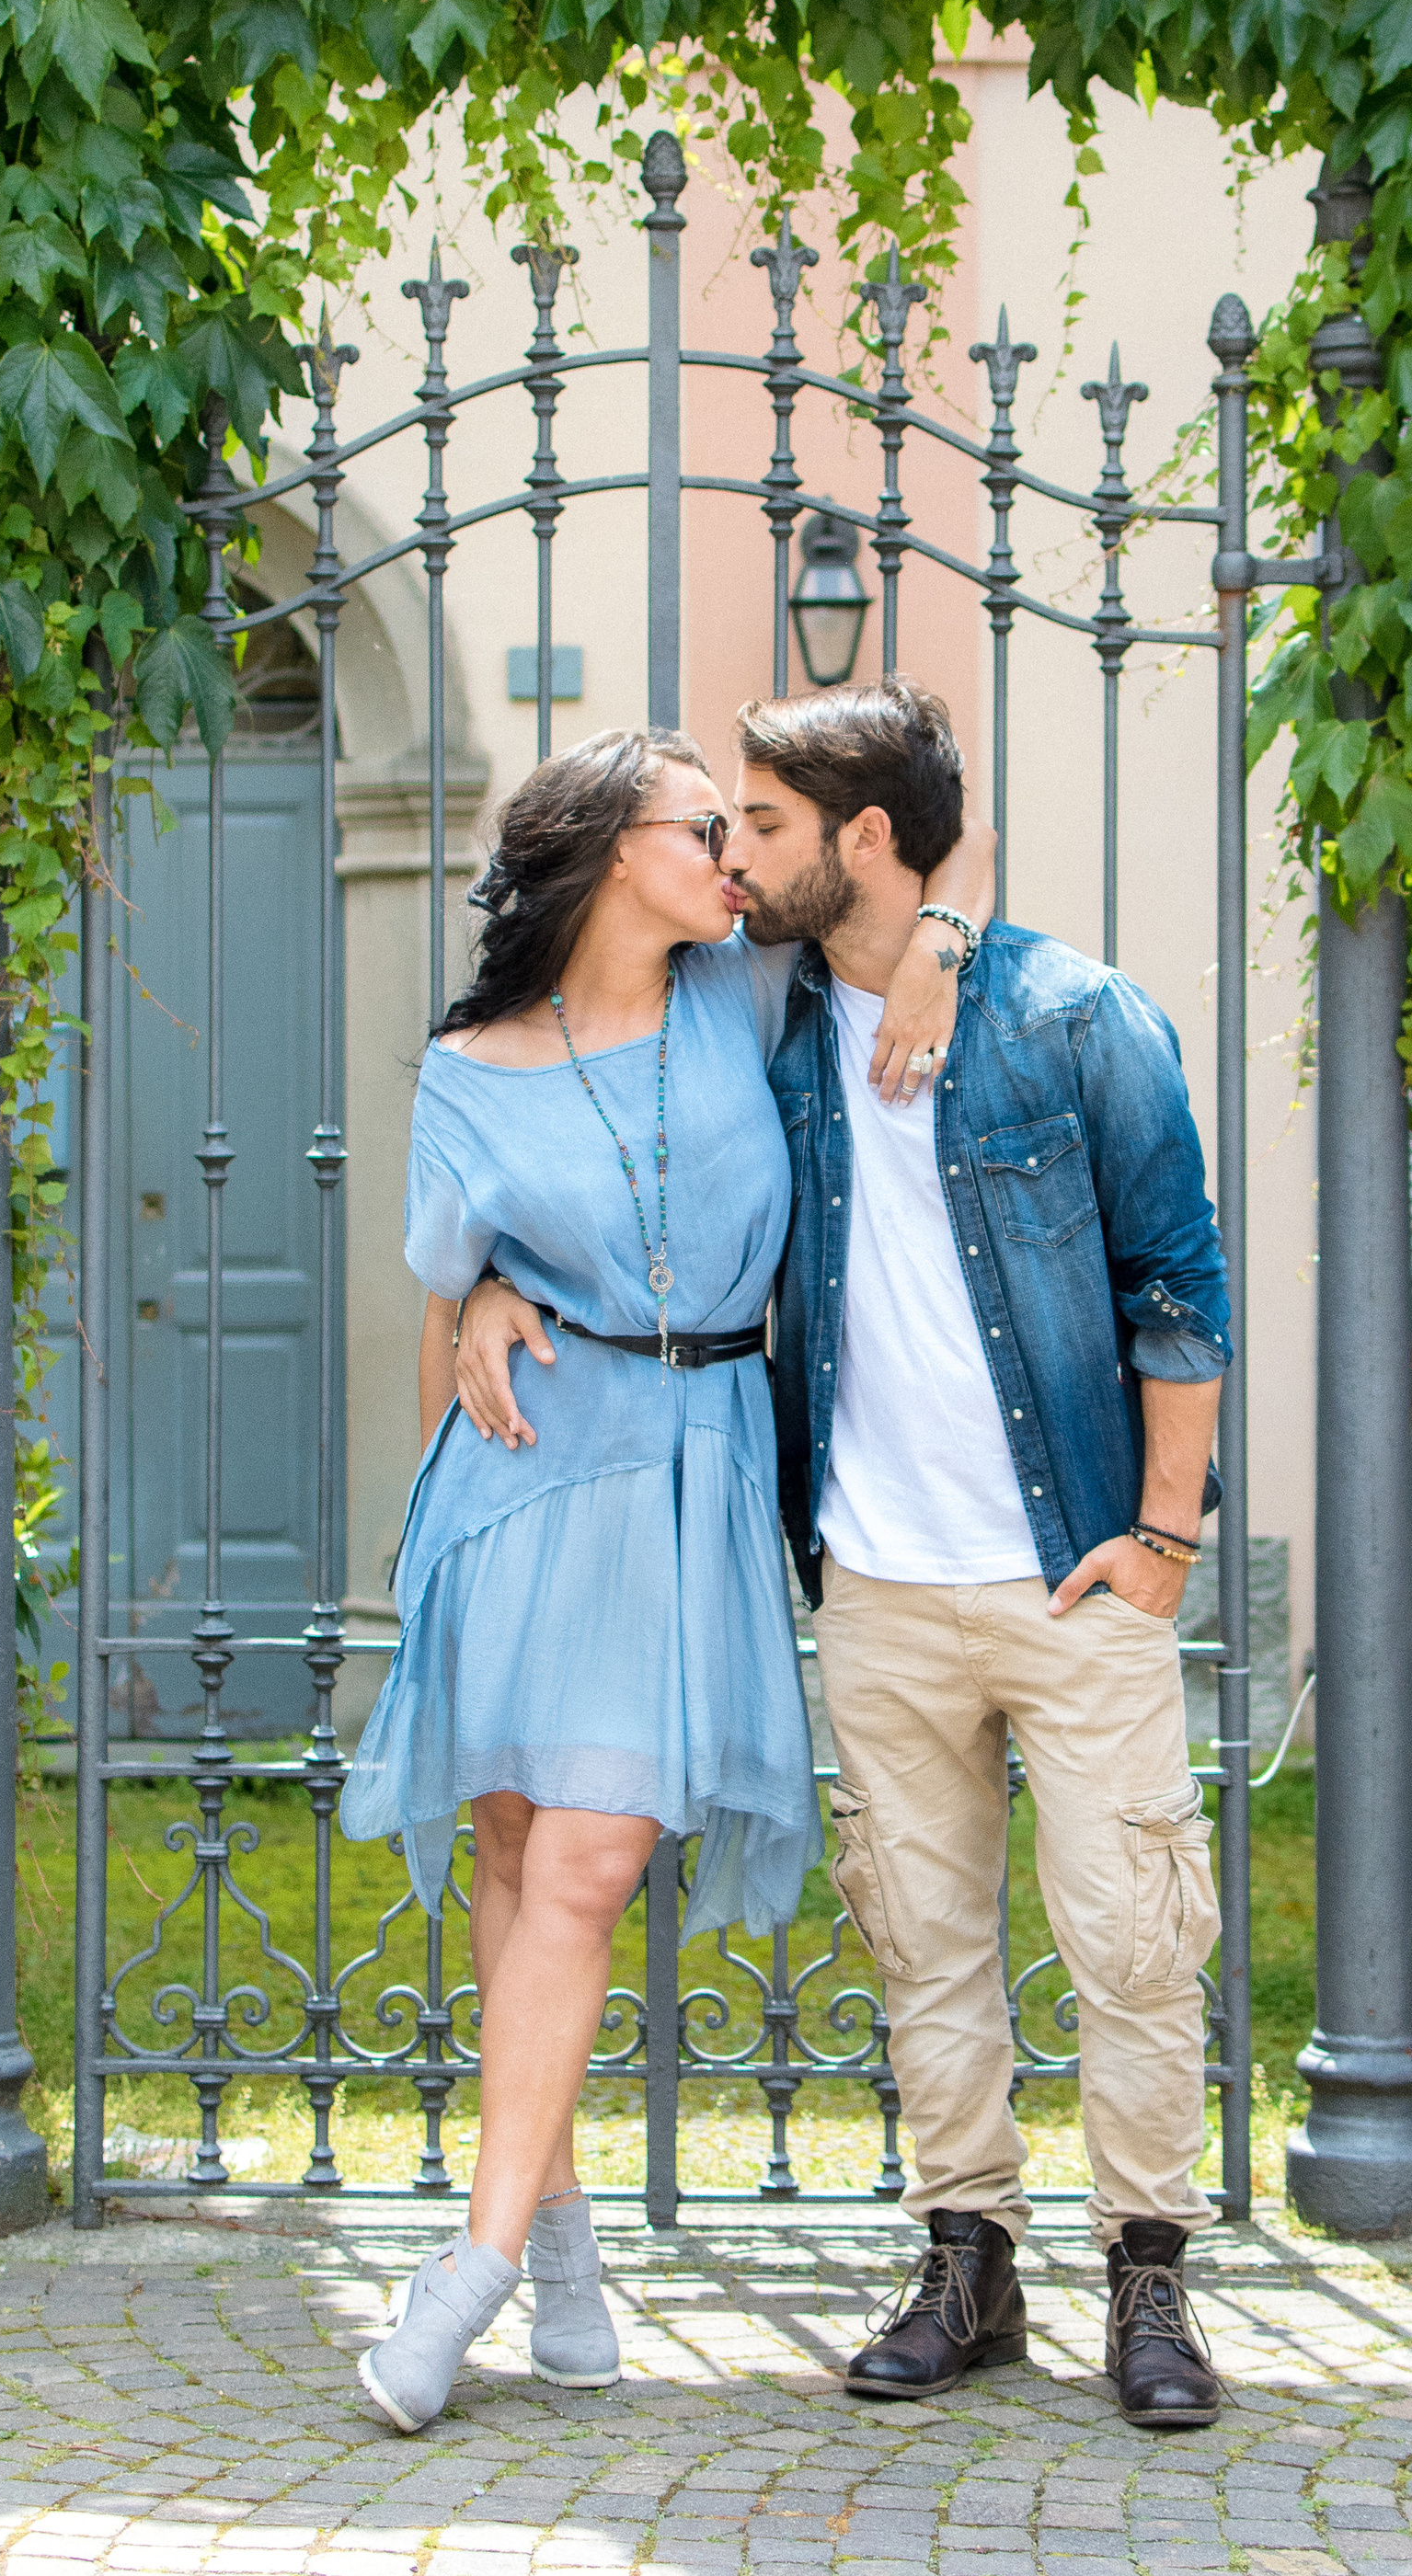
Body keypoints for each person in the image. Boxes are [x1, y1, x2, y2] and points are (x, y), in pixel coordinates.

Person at [458, 680, 1234, 2435]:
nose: (734, 854)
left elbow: (1179, 1291)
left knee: (1129, 1939)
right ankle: (970, 2262)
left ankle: (1151, 2275)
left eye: (769, 827)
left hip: (1071, 1563)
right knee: (924, 1938)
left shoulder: (1076, 1021)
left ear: (864, 841)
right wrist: (489, 1284)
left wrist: (1165, 1534)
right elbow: (580, 1117)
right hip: (877, 1578)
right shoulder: (776, 1029)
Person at [345, 723, 993, 2435]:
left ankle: (468, 2274)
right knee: (511, 1838)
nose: (733, 851)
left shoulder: (745, 988)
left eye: (738, 826)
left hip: (694, 1462)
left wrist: (935, 944)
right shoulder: (467, 1068)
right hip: (523, 1478)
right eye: (702, 825)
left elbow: (925, 866)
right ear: (607, 852)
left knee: (592, 1854)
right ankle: (556, 2243)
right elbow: (446, 1302)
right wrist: (434, 1531)